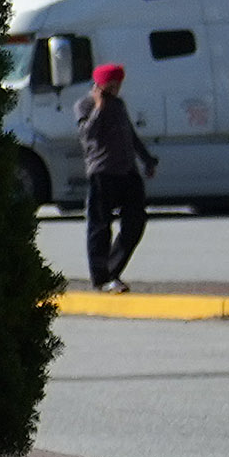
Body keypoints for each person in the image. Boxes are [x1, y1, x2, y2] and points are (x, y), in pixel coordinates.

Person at [77, 61, 154, 293]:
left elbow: (130, 135)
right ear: (100, 85)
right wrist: (99, 107)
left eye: (117, 85)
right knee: (100, 227)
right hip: (102, 172)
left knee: (135, 222)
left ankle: (113, 269)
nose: (115, 90)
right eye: (110, 86)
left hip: (127, 171)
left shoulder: (119, 105)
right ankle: (101, 278)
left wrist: (147, 159)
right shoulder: (85, 105)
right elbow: (87, 134)